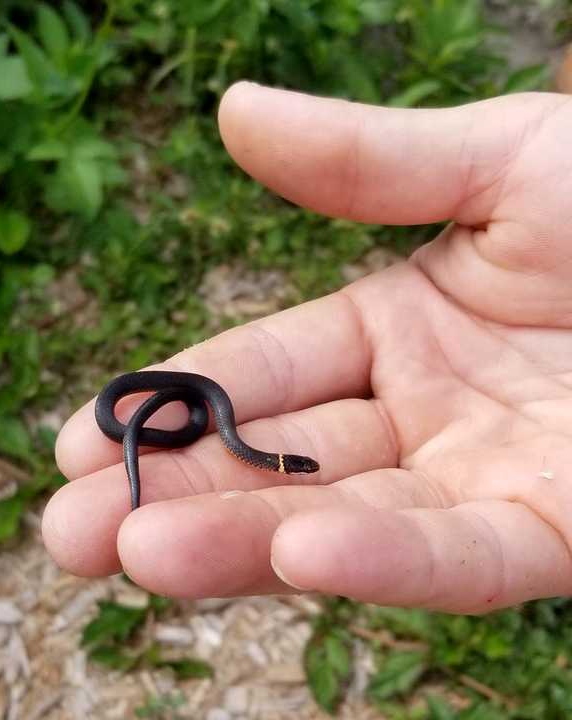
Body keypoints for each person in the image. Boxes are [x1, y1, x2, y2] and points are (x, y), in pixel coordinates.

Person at [42, 82, 572, 614]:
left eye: (294, 466)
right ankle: (131, 428)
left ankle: (137, 429)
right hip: (203, 411)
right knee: (158, 424)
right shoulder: (227, 429)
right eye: (295, 467)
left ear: (278, 464)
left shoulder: (227, 429)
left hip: (206, 413)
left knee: (185, 424)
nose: (300, 468)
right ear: (281, 465)